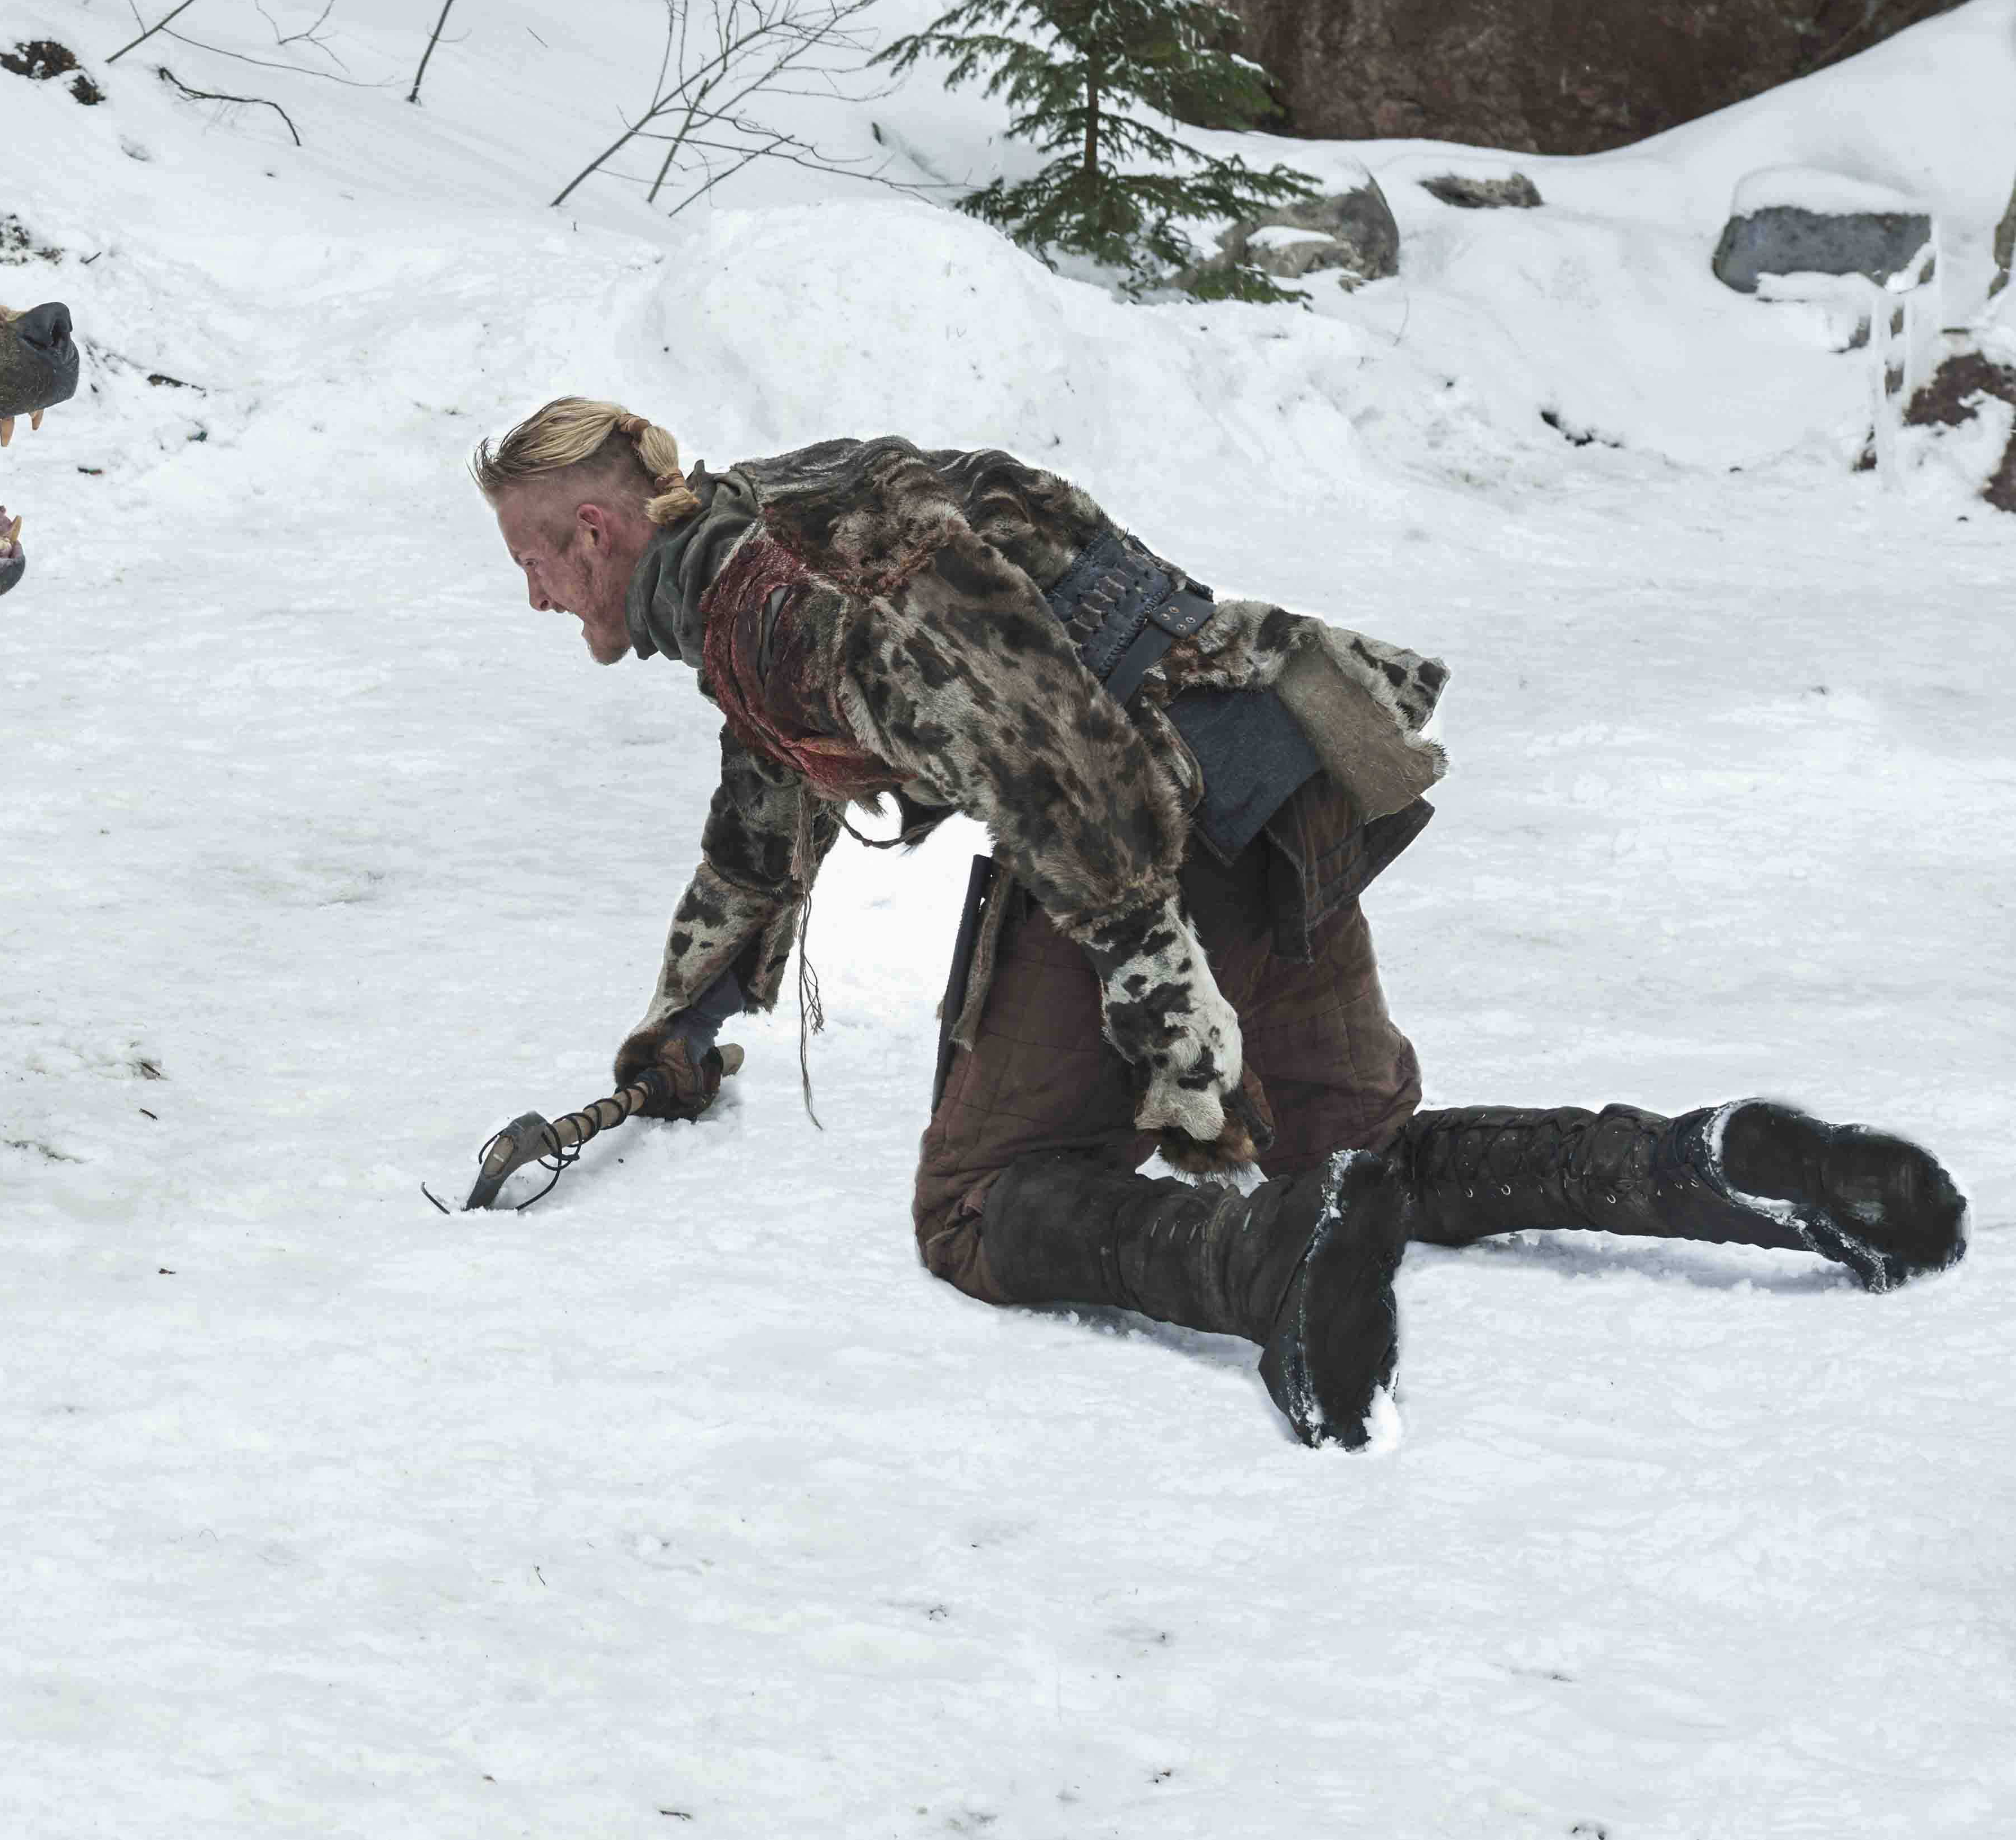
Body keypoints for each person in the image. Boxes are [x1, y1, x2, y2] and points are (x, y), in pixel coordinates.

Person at [476, 397, 1969, 1448]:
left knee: (978, 1205)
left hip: (1149, 815)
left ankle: (1266, 1272)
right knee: (1360, 1150)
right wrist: (685, 1016)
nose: (534, 598)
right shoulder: (774, 529)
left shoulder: (765, 612)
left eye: (536, 559)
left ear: (599, 531)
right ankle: (1710, 1163)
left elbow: (1032, 742)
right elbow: (768, 801)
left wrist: (1145, 965)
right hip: (1276, 761)